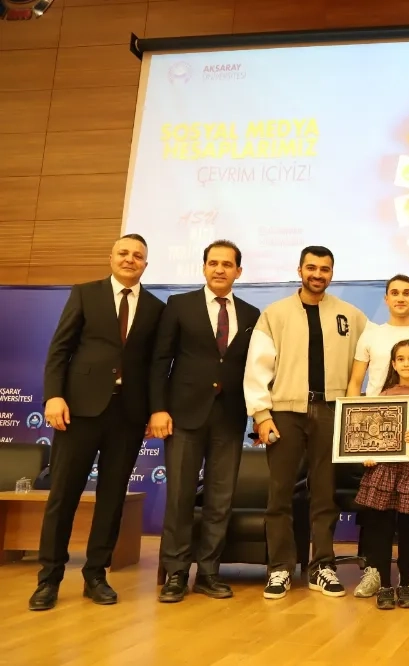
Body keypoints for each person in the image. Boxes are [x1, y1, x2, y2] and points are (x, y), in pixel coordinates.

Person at [29, 234, 165, 611]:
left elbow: (156, 366)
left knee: (111, 499)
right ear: (111, 257)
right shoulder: (85, 294)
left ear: (145, 265)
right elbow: (60, 348)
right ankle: (49, 578)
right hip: (79, 412)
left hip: (128, 416)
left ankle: (95, 575)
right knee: (63, 497)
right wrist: (53, 395)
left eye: (138, 256)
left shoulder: (156, 307)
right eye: (123, 253)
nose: (129, 259)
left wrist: (155, 408)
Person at [244, 246, 368, 600]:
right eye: (311, 267)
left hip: (331, 410)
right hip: (284, 411)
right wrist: (261, 415)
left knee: (325, 493)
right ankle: (280, 568)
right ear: (300, 270)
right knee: (280, 493)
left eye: (325, 269)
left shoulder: (350, 315)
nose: (318, 274)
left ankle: (322, 567)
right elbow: (257, 368)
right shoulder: (275, 314)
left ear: (332, 273)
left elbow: (384, 341)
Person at [149, 240, 261, 602]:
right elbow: (160, 360)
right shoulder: (179, 305)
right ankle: (177, 573)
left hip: (229, 418)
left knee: (220, 500)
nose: (219, 269)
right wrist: (158, 408)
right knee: (181, 497)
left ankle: (209, 572)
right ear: (203, 268)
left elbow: (253, 369)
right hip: (183, 416)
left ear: (238, 272)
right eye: (213, 263)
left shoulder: (251, 313)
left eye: (227, 264)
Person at [347, 274, 409, 598]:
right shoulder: (371, 335)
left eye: (407, 293)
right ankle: (374, 572)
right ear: (386, 298)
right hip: (377, 440)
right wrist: (358, 441)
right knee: (377, 516)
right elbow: (355, 385)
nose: (400, 298)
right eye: (394, 293)